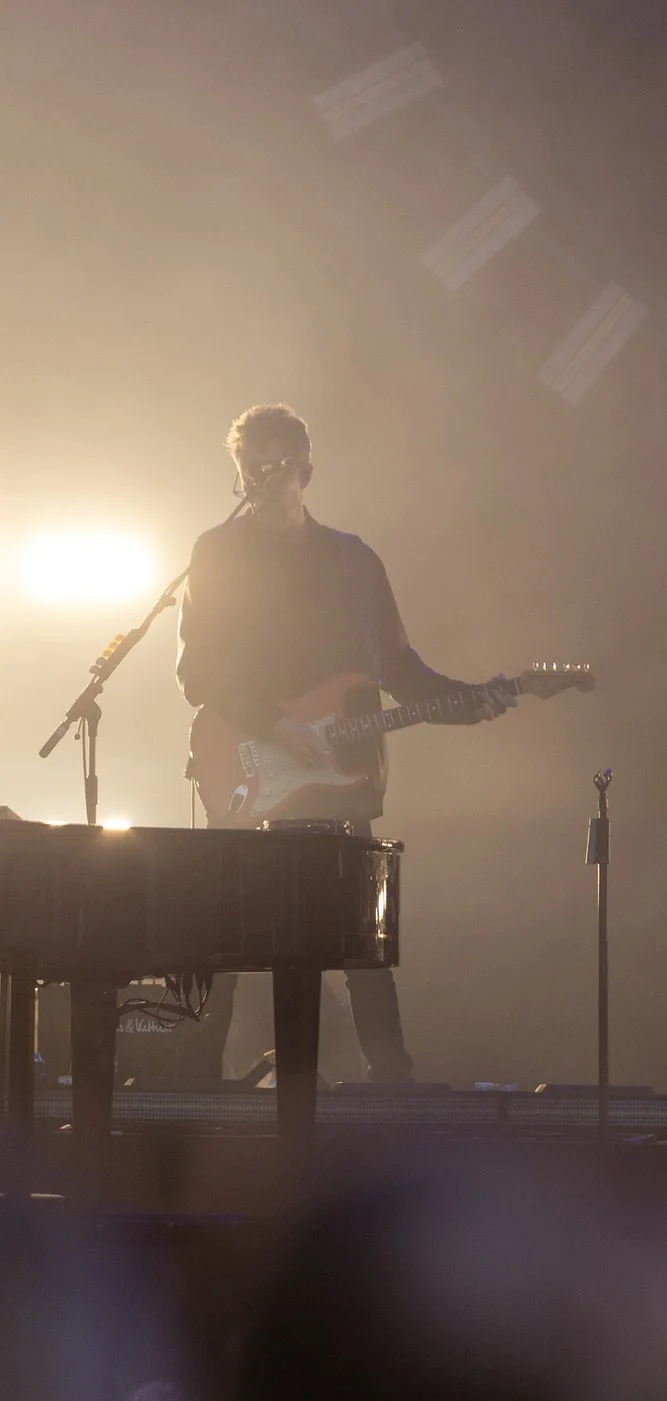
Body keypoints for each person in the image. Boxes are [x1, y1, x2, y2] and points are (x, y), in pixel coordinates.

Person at [176, 403, 512, 1082]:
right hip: (250, 765)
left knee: (364, 942)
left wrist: (474, 701)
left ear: (307, 470)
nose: (260, 481)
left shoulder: (354, 561)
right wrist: (275, 726)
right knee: (226, 937)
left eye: (274, 467)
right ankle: (189, 1091)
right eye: (248, 470)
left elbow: (399, 668)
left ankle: (393, 1085)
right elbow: (196, 670)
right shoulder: (218, 551)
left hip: (342, 777)